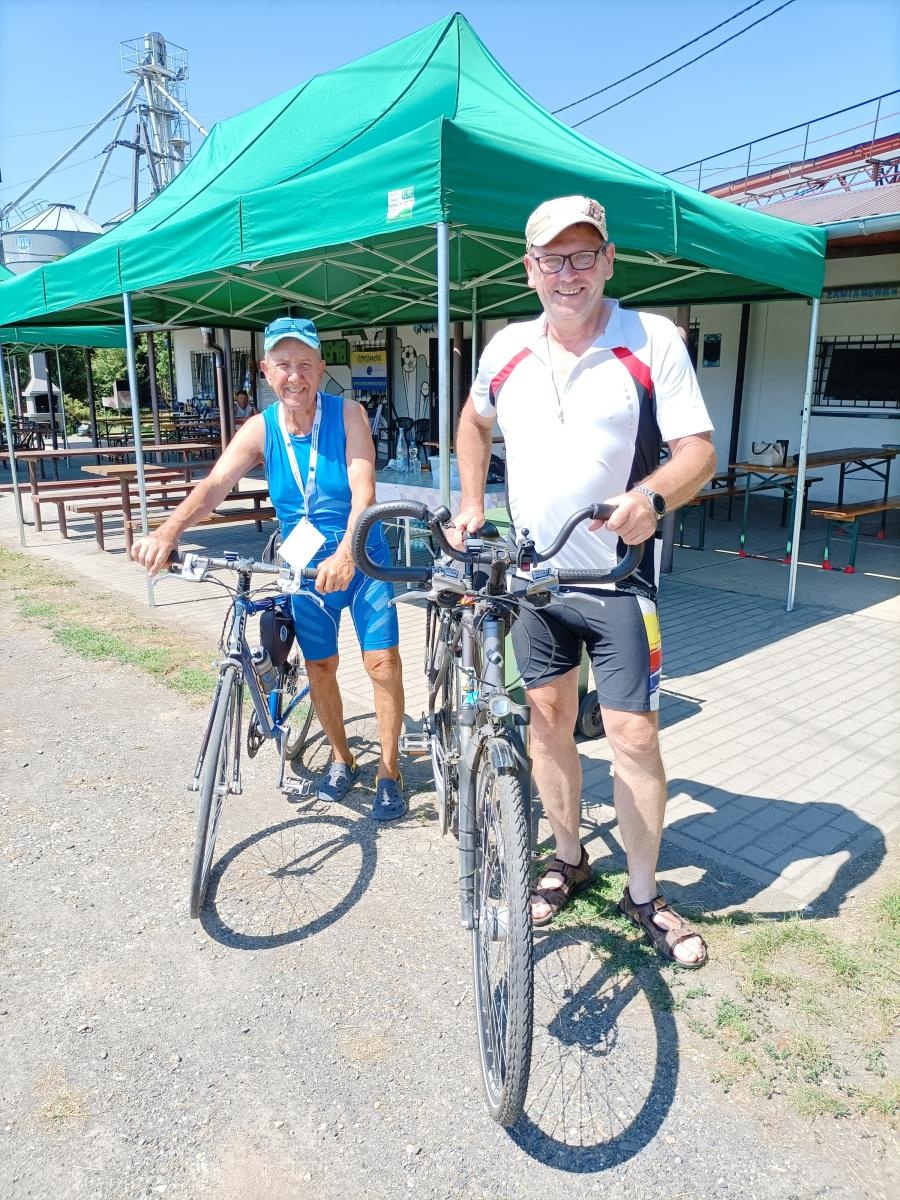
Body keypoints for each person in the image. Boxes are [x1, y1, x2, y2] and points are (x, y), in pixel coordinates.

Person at [452, 196, 716, 967]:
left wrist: (654, 495)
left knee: (634, 733)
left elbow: (696, 449)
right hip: (536, 575)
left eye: (582, 257)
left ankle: (643, 892)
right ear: (530, 269)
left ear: (607, 261)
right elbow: (474, 421)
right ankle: (568, 857)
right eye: (551, 259)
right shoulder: (505, 348)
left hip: (620, 580)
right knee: (547, 720)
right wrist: (471, 503)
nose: (568, 274)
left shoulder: (651, 340)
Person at [132, 315, 407, 821]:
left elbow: (364, 492)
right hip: (304, 567)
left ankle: (389, 770)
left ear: (321, 368)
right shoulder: (260, 428)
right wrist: (168, 531)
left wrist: (347, 552)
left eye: (305, 363)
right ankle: (341, 759)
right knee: (321, 666)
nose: (294, 375)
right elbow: (216, 484)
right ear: (265, 370)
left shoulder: (348, 416)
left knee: (382, 663)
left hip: (362, 555)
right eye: (283, 365)